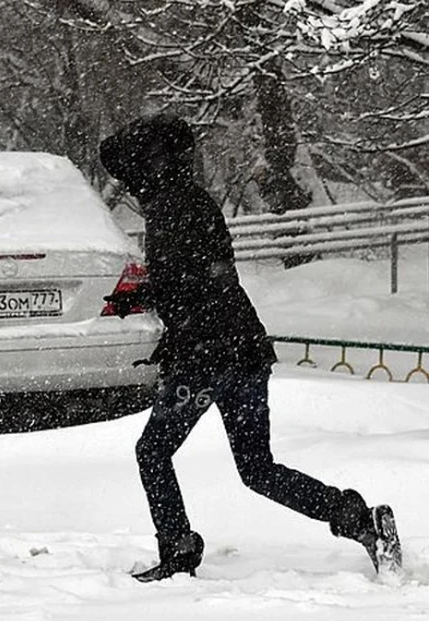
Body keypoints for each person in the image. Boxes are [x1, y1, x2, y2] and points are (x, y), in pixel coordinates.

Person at [99, 113, 400, 582]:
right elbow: (204, 276)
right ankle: (358, 520)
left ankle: (178, 550)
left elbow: (187, 283)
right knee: (258, 468)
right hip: (242, 349)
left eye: (135, 171)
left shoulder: (170, 207)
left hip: (206, 356)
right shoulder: (192, 200)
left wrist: (143, 295)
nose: (131, 183)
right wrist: (147, 294)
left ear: (151, 165)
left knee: (152, 452)